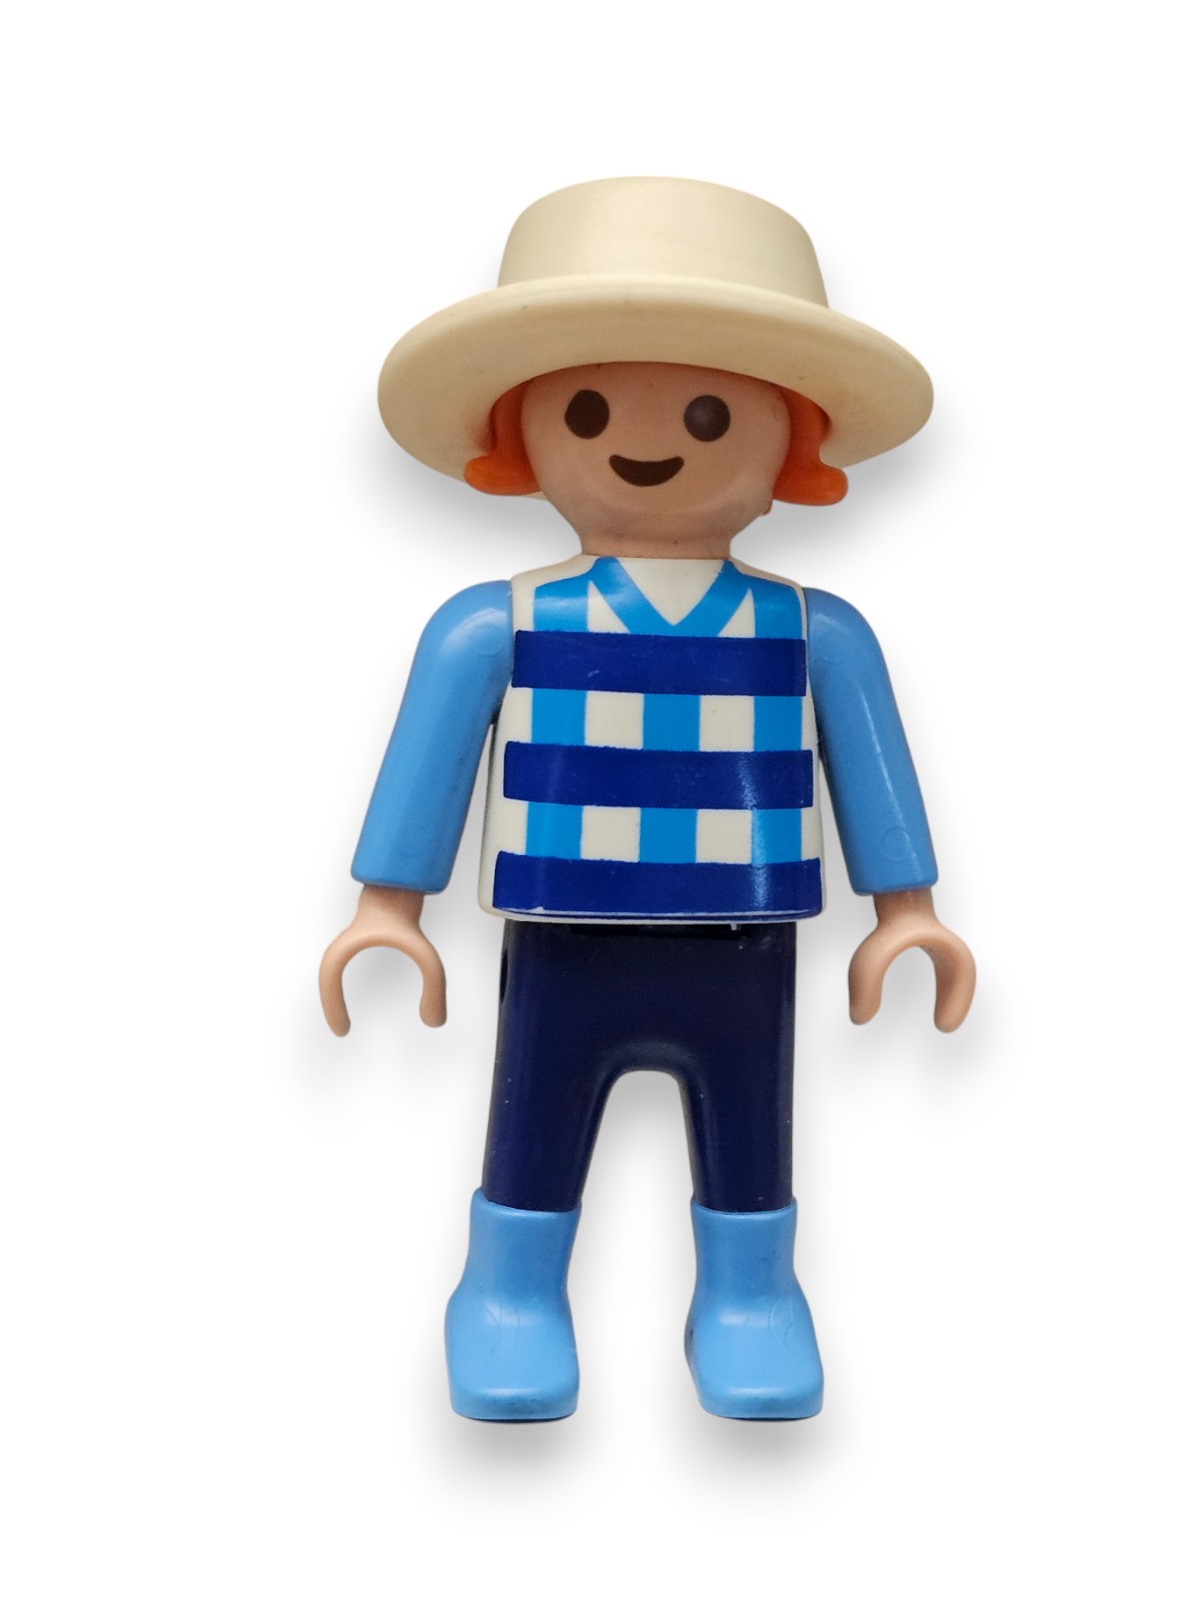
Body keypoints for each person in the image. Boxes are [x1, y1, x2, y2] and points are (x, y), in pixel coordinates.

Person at [320, 177, 976, 1421]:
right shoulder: (499, 624)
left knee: (749, 1128)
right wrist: (385, 906)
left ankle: (750, 1294)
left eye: (712, 412)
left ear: (791, 443)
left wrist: (908, 910)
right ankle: (509, 1290)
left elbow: (871, 760)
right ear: (521, 434)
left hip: (743, 941)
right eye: (586, 407)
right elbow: (428, 757)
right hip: (560, 938)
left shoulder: (811, 630)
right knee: (533, 1120)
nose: (648, 439)